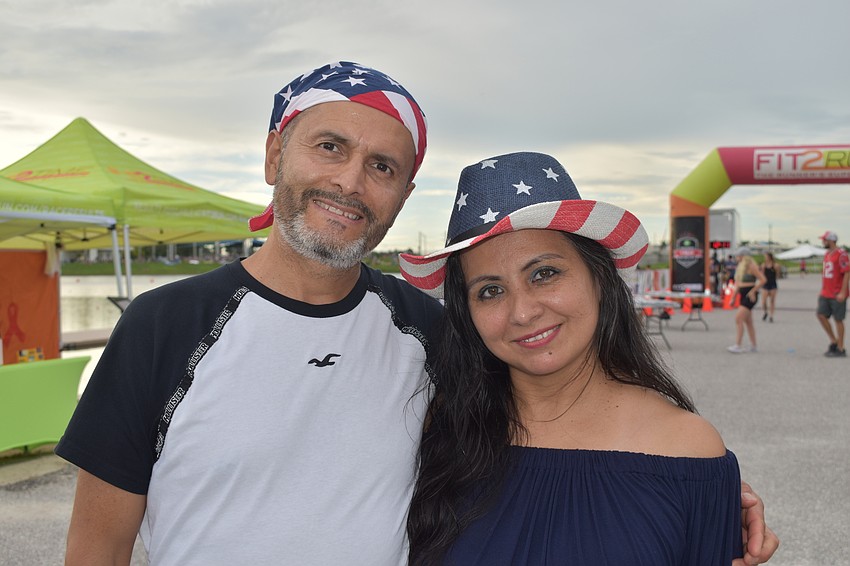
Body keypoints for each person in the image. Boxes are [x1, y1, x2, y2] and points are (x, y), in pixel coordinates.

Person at [55, 63, 777, 565]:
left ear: (401, 197)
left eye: (383, 166)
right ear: (276, 154)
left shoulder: (426, 335)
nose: (350, 181)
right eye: (329, 147)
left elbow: (561, 447)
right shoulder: (161, 327)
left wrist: (699, 489)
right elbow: (95, 550)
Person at [399, 152, 776, 565]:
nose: (522, 312)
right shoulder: (437, 431)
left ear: (599, 278)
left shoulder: (688, 451)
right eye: (490, 291)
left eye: (544, 273)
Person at [727, 247, 767, 354]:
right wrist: (733, 297)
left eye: (739, 256)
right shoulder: (741, 267)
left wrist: (753, 291)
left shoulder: (751, 266)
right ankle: (753, 345)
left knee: (738, 318)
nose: (737, 258)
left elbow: (763, 280)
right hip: (743, 293)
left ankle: (738, 345)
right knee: (748, 322)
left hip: (750, 295)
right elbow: (738, 284)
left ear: (744, 256)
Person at [817, 230, 849, 357]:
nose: (823, 242)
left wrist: (843, 292)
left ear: (831, 240)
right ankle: (833, 340)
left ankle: (841, 348)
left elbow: (846, 272)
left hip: (836, 292)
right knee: (821, 315)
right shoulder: (827, 254)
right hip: (826, 292)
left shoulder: (841, 254)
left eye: (824, 240)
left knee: (838, 319)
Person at [760, 251, 779, 322]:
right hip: (765, 284)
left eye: (766, 256)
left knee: (772, 300)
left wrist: (774, 279)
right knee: (764, 301)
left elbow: (777, 274)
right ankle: (765, 312)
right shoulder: (763, 265)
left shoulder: (775, 265)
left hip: (773, 284)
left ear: (770, 257)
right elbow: (762, 274)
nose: (765, 258)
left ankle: (771, 315)